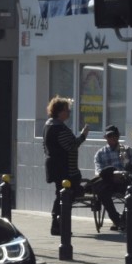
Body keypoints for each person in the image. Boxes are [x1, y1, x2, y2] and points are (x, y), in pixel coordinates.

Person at [43, 96, 89, 236]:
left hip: (57, 167)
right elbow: (71, 146)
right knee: (65, 195)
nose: (69, 113)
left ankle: (59, 224)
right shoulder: (58, 128)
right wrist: (83, 135)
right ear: (59, 111)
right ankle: (58, 224)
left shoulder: (49, 125)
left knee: (62, 195)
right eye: (66, 110)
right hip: (65, 169)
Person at [92, 124, 132, 231]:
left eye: (114, 136)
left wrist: (123, 172)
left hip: (123, 180)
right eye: (109, 136)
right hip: (109, 182)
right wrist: (111, 176)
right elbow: (99, 171)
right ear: (105, 138)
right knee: (102, 191)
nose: (112, 138)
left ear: (118, 136)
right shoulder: (100, 153)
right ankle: (116, 219)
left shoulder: (127, 150)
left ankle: (124, 218)